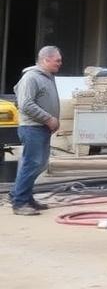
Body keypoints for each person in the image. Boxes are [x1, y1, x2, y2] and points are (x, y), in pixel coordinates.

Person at [11, 46, 62, 216]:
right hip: (32, 128)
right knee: (31, 164)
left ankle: (24, 197)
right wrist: (48, 119)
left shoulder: (47, 77)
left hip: (40, 128)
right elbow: (25, 104)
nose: (60, 63)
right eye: (57, 60)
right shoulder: (31, 77)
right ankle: (19, 202)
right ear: (46, 59)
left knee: (38, 164)